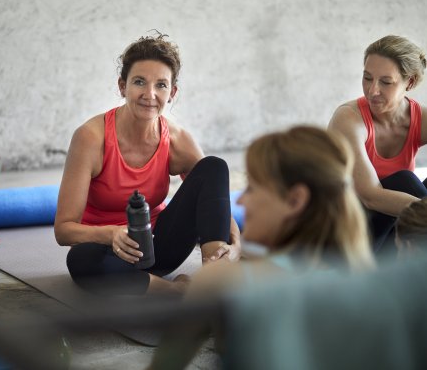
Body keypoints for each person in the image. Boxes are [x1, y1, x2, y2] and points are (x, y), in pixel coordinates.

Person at [148, 126, 376, 370]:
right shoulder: (369, 282)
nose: (243, 199)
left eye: (253, 188)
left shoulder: (221, 280)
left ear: (295, 200)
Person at [54, 33, 241, 295]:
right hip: (109, 253)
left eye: (161, 85)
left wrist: (235, 246)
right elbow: (63, 231)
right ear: (123, 86)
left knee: (214, 166)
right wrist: (111, 234)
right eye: (139, 82)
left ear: (172, 92)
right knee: (80, 261)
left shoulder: (176, 139)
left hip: (158, 248)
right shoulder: (90, 137)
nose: (150, 94)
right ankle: (176, 292)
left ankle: (215, 281)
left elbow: (214, 199)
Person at [328, 35, 427, 253]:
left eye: (385, 82)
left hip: (392, 231)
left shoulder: (421, 118)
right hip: (342, 234)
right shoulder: (348, 118)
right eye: (367, 78)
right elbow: (370, 197)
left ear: (409, 82)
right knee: (405, 182)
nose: (373, 90)